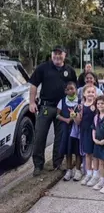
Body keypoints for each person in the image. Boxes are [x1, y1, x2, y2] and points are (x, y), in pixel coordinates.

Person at [29, 45, 77, 177]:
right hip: (45, 107)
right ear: (51, 55)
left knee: (60, 138)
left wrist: (74, 105)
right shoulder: (43, 68)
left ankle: (57, 163)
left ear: (64, 55)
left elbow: (74, 89)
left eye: (60, 54)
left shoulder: (70, 70)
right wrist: (32, 102)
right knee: (39, 137)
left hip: (62, 109)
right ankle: (38, 165)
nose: (57, 56)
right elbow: (33, 85)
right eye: (55, 54)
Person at [74, 85, 100, 186]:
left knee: (95, 155)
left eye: (92, 92)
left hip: (95, 133)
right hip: (85, 133)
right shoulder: (81, 106)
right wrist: (75, 116)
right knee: (88, 154)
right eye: (88, 92)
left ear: (95, 94)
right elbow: (78, 122)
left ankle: (96, 174)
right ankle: (88, 173)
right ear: (84, 94)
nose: (90, 94)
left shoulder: (97, 105)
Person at [57, 82, 82, 181]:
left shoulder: (79, 102)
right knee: (68, 150)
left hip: (76, 128)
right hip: (66, 129)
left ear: (76, 89)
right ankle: (69, 170)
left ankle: (78, 170)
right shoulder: (62, 101)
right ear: (65, 91)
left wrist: (74, 118)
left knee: (77, 150)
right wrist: (66, 119)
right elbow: (57, 115)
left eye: (72, 89)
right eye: (68, 89)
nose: (70, 91)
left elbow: (81, 113)